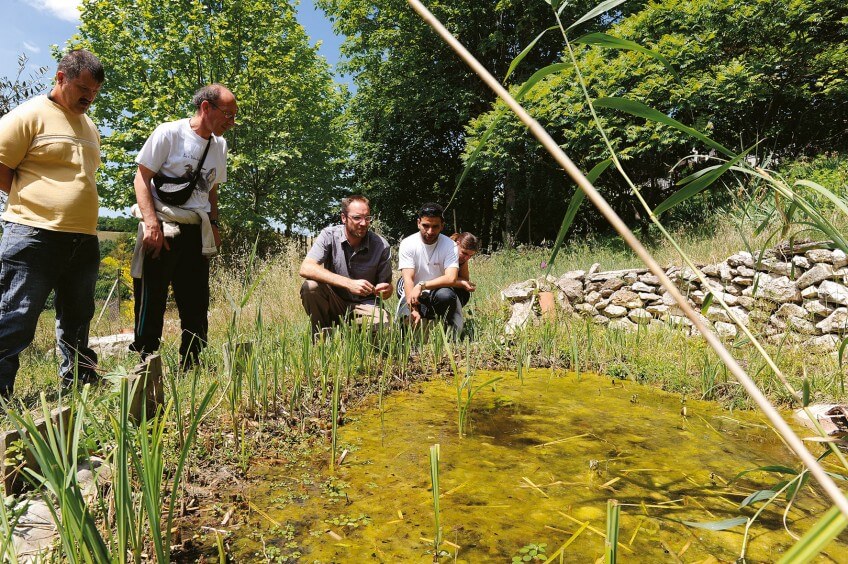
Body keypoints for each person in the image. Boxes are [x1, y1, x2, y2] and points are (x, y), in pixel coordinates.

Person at [0, 49, 105, 396]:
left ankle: (80, 383)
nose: (89, 97)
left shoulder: (89, 125)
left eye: (95, 92)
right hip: (33, 234)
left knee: (78, 318)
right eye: (83, 89)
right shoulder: (27, 115)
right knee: (16, 318)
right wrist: (35, 200)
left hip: (83, 238)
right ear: (60, 78)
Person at [130, 84, 235, 370]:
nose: (231, 122)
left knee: (196, 299)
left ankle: (192, 360)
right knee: (152, 298)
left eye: (234, 116)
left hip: (196, 228)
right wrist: (151, 224)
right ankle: (145, 360)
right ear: (205, 108)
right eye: (227, 114)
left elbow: (212, 189)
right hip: (164, 225)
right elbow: (142, 178)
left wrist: (213, 224)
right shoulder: (170, 133)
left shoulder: (220, 145)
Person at [299, 195, 392, 336]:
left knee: (384, 327)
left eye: (367, 218)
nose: (363, 223)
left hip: (366, 305)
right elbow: (306, 268)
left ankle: (352, 335)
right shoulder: (329, 235)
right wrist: (349, 284)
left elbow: (386, 290)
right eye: (357, 218)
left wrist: (386, 290)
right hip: (334, 301)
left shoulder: (381, 245)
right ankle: (322, 337)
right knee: (310, 287)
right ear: (344, 218)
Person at [397, 203, 465, 334]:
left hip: (438, 288)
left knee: (446, 296)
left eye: (435, 227)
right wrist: (413, 310)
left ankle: (445, 328)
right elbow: (408, 279)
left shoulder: (450, 245)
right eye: (425, 226)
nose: (430, 231)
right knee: (406, 311)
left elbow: (451, 278)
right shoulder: (407, 243)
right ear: (418, 223)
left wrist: (422, 285)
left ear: (442, 226)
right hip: (412, 286)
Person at [449, 232, 480, 308]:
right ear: (457, 244)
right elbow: (438, 278)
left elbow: (465, 279)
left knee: (463, 293)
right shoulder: (443, 252)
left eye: (471, 255)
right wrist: (461, 283)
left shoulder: (463, 260)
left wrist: (462, 282)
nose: (467, 258)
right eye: (464, 253)